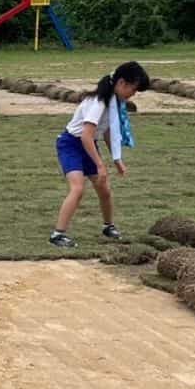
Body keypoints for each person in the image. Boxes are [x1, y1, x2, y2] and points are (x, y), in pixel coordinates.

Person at [50, 61, 151, 249]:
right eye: (134, 90)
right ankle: (58, 234)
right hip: (71, 144)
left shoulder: (113, 103)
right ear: (122, 83)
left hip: (87, 144)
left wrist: (116, 159)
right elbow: (86, 136)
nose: (133, 95)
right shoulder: (99, 103)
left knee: (104, 188)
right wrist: (99, 164)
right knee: (78, 188)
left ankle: (108, 226)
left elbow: (105, 132)